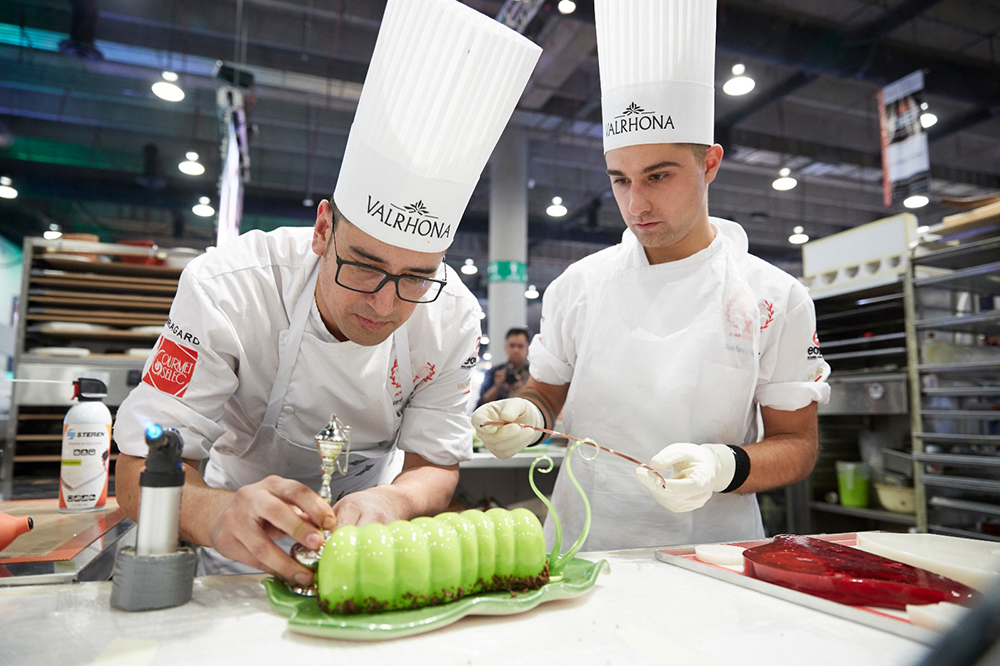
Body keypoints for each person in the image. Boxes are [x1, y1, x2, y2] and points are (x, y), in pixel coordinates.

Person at [113, 0, 541, 584]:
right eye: (364, 267)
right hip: (228, 548)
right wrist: (215, 516)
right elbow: (140, 463)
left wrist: (395, 503)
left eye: (416, 277)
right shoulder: (230, 287)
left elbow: (434, 464)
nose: (385, 305)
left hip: (368, 551)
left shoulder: (453, 317)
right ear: (322, 231)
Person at [473, 0, 831, 551]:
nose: (636, 203)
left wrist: (723, 466)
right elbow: (547, 393)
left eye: (658, 176)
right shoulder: (579, 286)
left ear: (709, 164)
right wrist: (526, 411)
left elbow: (797, 444)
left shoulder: (773, 297)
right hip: (578, 549)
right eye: (620, 180)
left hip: (713, 552)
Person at [477, 327, 530, 406]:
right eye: (512, 346)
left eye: (520, 346)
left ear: (527, 348)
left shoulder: (533, 374)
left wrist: (523, 391)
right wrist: (497, 387)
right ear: (506, 347)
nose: (516, 350)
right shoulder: (494, 372)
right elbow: (480, 406)